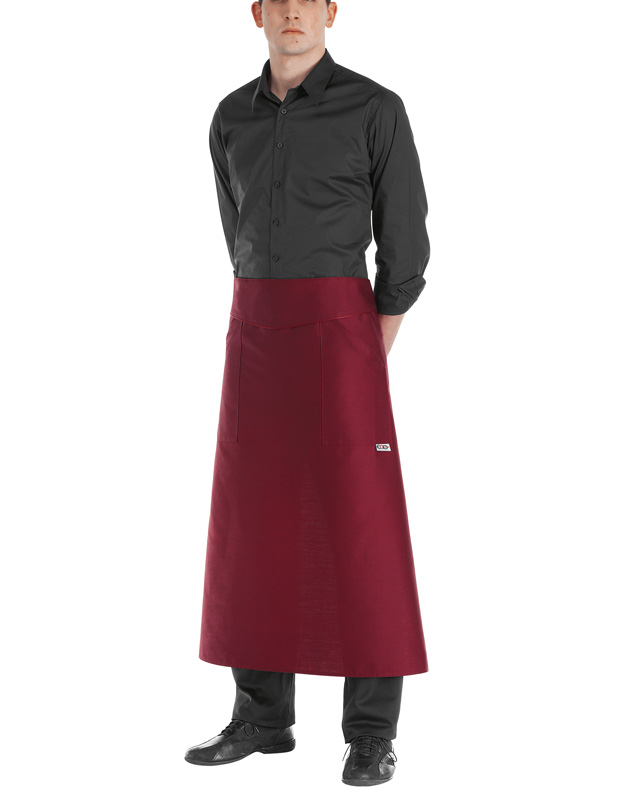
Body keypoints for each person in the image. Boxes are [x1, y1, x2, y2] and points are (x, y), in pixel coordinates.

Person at [185, 0, 431, 787]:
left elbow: (405, 243)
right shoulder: (230, 117)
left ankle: (370, 733)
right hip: (255, 329)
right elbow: (237, 233)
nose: (293, 11)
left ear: (331, 12)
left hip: (343, 331)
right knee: (253, 524)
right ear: (257, 13)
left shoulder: (375, 108)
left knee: (361, 527)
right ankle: (262, 717)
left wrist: (363, 345)